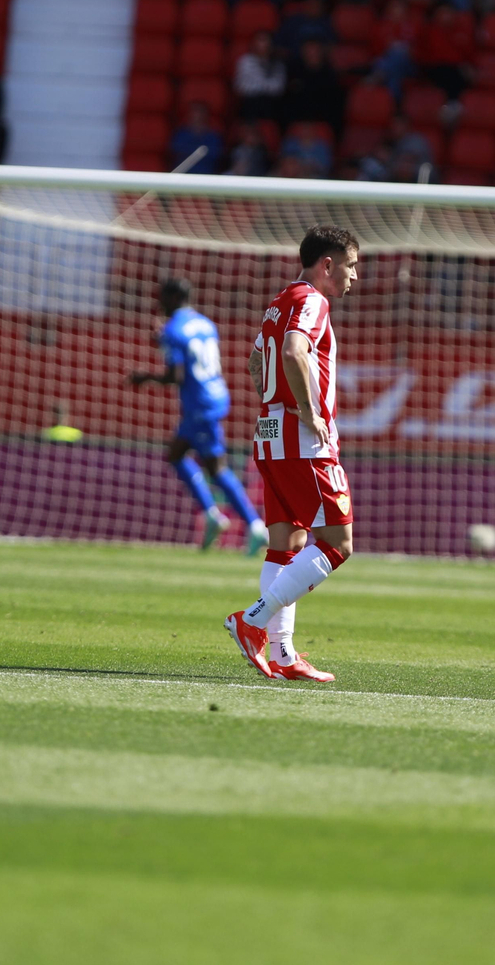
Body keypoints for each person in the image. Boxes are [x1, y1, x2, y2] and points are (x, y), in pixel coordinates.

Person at [226, 225, 361, 683]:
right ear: (328, 264)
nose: (354, 276)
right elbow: (292, 351)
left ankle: (283, 655)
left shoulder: (280, 300)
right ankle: (253, 619)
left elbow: (254, 363)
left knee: (288, 543)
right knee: (337, 544)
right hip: (298, 436)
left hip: (269, 432)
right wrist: (307, 410)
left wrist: (278, 406)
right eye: (350, 265)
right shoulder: (312, 300)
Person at [129, 278, 270, 554]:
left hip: (199, 404)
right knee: (182, 457)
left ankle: (247, 524)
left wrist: (144, 377)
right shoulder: (206, 323)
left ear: (171, 299)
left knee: (213, 467)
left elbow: (176, 376)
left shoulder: (173, 330)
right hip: (215, 394)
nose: (158, 305)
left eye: (161, 300)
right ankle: (224, 517)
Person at [233, 29, 286, 122]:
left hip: (271, 104)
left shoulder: (278, 64)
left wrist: (259, 86)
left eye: (266, 40)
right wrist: (265, 87)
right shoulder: (245, 62)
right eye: (260, 40)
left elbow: (278, 88)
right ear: (254, 43)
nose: (263, 44)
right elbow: (242, 87)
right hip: (250, 104)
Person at [169, 100, 224, 172]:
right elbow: (176, 153)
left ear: (206, 115)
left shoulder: (214, 137)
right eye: (194, 112)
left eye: (200, 112)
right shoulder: (181, 135)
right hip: (183, 175)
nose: (197, 116)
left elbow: (217, 157)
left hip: (207, 177)